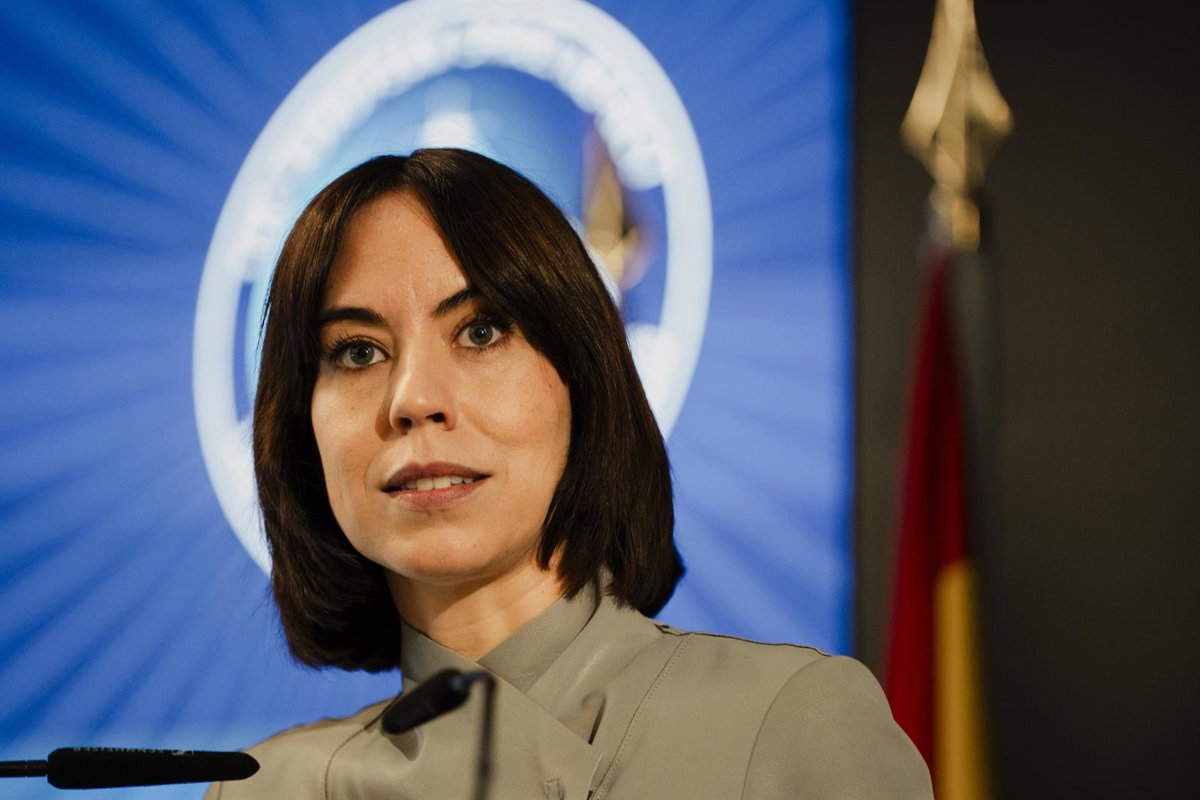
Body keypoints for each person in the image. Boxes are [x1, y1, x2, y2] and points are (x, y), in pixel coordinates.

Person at [205, 149, 932, 799]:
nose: (414, 399)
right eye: (358, 351)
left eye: (480, 332)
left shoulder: (790, 726)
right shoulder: (264, 792)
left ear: (582, 381)